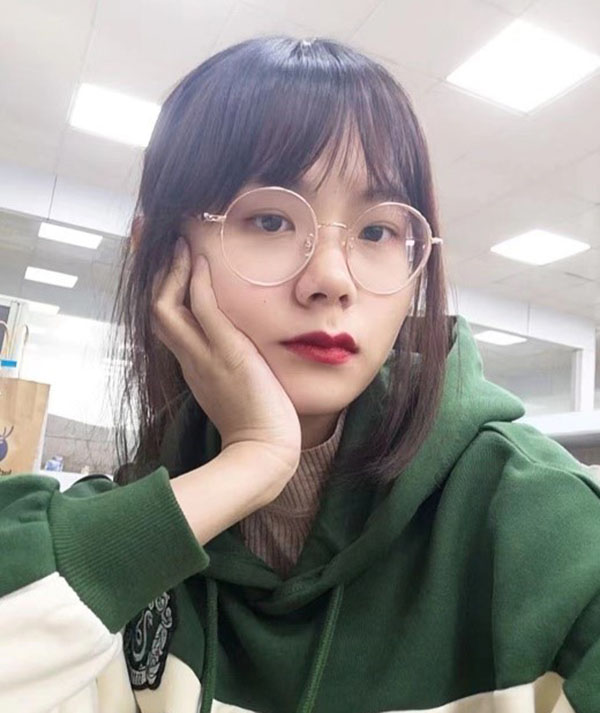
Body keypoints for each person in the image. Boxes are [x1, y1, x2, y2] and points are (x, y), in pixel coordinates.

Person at [1, 36, 599, 713]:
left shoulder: (537, 519)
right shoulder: (131, 522)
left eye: (376, 232)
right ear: (159, 253)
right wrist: (253, 460)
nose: (332, 279)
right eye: (270, 219)